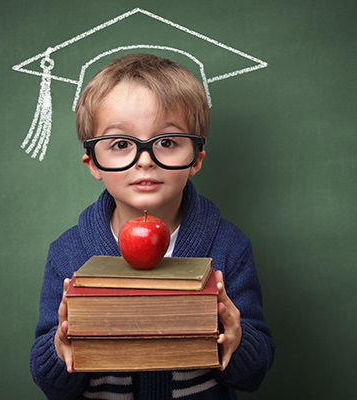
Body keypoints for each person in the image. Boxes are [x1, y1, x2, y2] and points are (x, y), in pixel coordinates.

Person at [30, 53, 274, 400]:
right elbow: (52, 384)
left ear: (197, 158)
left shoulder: (228, 246)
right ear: (93, 162)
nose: (144, 160)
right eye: (120, 144)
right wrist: (60, 349)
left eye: (167, 142)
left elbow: (254, 373)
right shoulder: (69, 253)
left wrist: (235, 341)